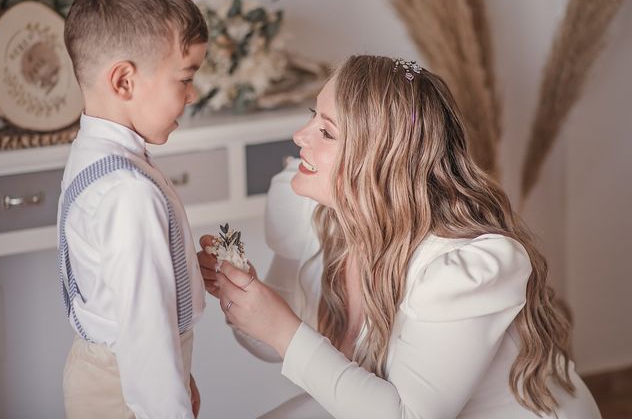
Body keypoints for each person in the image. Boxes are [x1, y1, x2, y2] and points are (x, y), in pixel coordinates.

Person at [199, 55, 601, 418]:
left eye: (327, 131)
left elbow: (406, 415)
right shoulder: (308, 209)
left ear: (380, 159)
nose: (300, 136)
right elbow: (277, 342)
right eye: (312, 116)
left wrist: (280, 327)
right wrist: (246, 299)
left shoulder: (462, 269)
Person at [58, 0, 207, 418]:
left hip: (118, 372)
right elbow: (145, 336)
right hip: (126, 390)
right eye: (186, 77)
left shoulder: (95, 154)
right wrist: (169, 402)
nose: (193, 94)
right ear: (124, 81)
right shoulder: (128, 194)